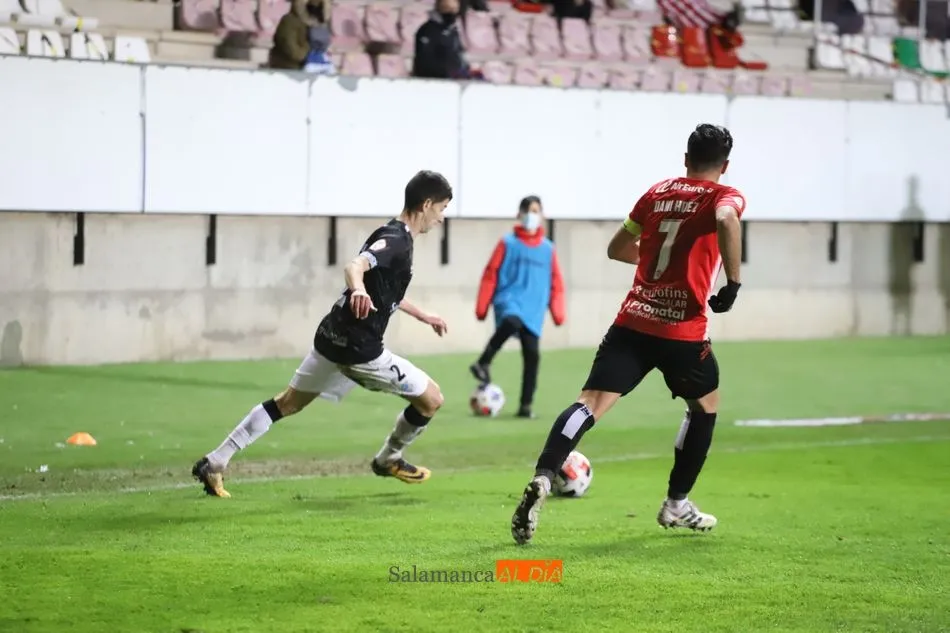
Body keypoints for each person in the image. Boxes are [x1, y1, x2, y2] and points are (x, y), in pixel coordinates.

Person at [510, 124, 746, 545]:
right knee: (705, 406)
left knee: (588, 404)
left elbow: (616, 248)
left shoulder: (656, 193)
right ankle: (676, 503)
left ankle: (544, 475)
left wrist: (654, 263)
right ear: (724, 166)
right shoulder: (724, 196)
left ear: (686, 159)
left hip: (633, 322)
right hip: (682, 331)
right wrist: (733, 282)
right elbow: (727, 218)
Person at [192, 171, 454, 498]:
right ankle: (388, 459)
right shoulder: (397, 240)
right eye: (442, 208)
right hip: (361, 351)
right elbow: (354, 267)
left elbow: (385, 290)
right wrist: (358, 290)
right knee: (432, 399)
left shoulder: (389, 232)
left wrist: (423, 315)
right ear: (426, 204)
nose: (442, 217)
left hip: (331, 337)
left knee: (287, 403)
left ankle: (215, 461)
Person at [470, 196, 565, 418]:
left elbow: (556, 282)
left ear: (542, 215)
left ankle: (525, 406)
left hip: (534, 309)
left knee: (532, 355)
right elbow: (490, 274)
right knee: (512, 320)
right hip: (508, 299)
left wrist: (558, 311)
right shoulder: (507, 243)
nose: (532, 215)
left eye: (536, 211)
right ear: (519, 214)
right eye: (528, 210)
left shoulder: (548, 249)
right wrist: (482, 306)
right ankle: (483, 362)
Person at [412, 0, 478, 80]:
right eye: (447, 9)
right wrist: (454, 73)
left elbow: (458, 56)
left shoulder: (452, 30)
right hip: (435, 82)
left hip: (454, 81)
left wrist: (465, 72)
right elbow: (425, 63)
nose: (452, 13)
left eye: (455, 9)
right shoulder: (428, 31)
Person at [269, 0, 333, 71]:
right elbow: (289, 45)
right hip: (289, 68)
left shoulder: (321, 24)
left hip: (314, 68)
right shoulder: (290, 20)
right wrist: (307, 57)